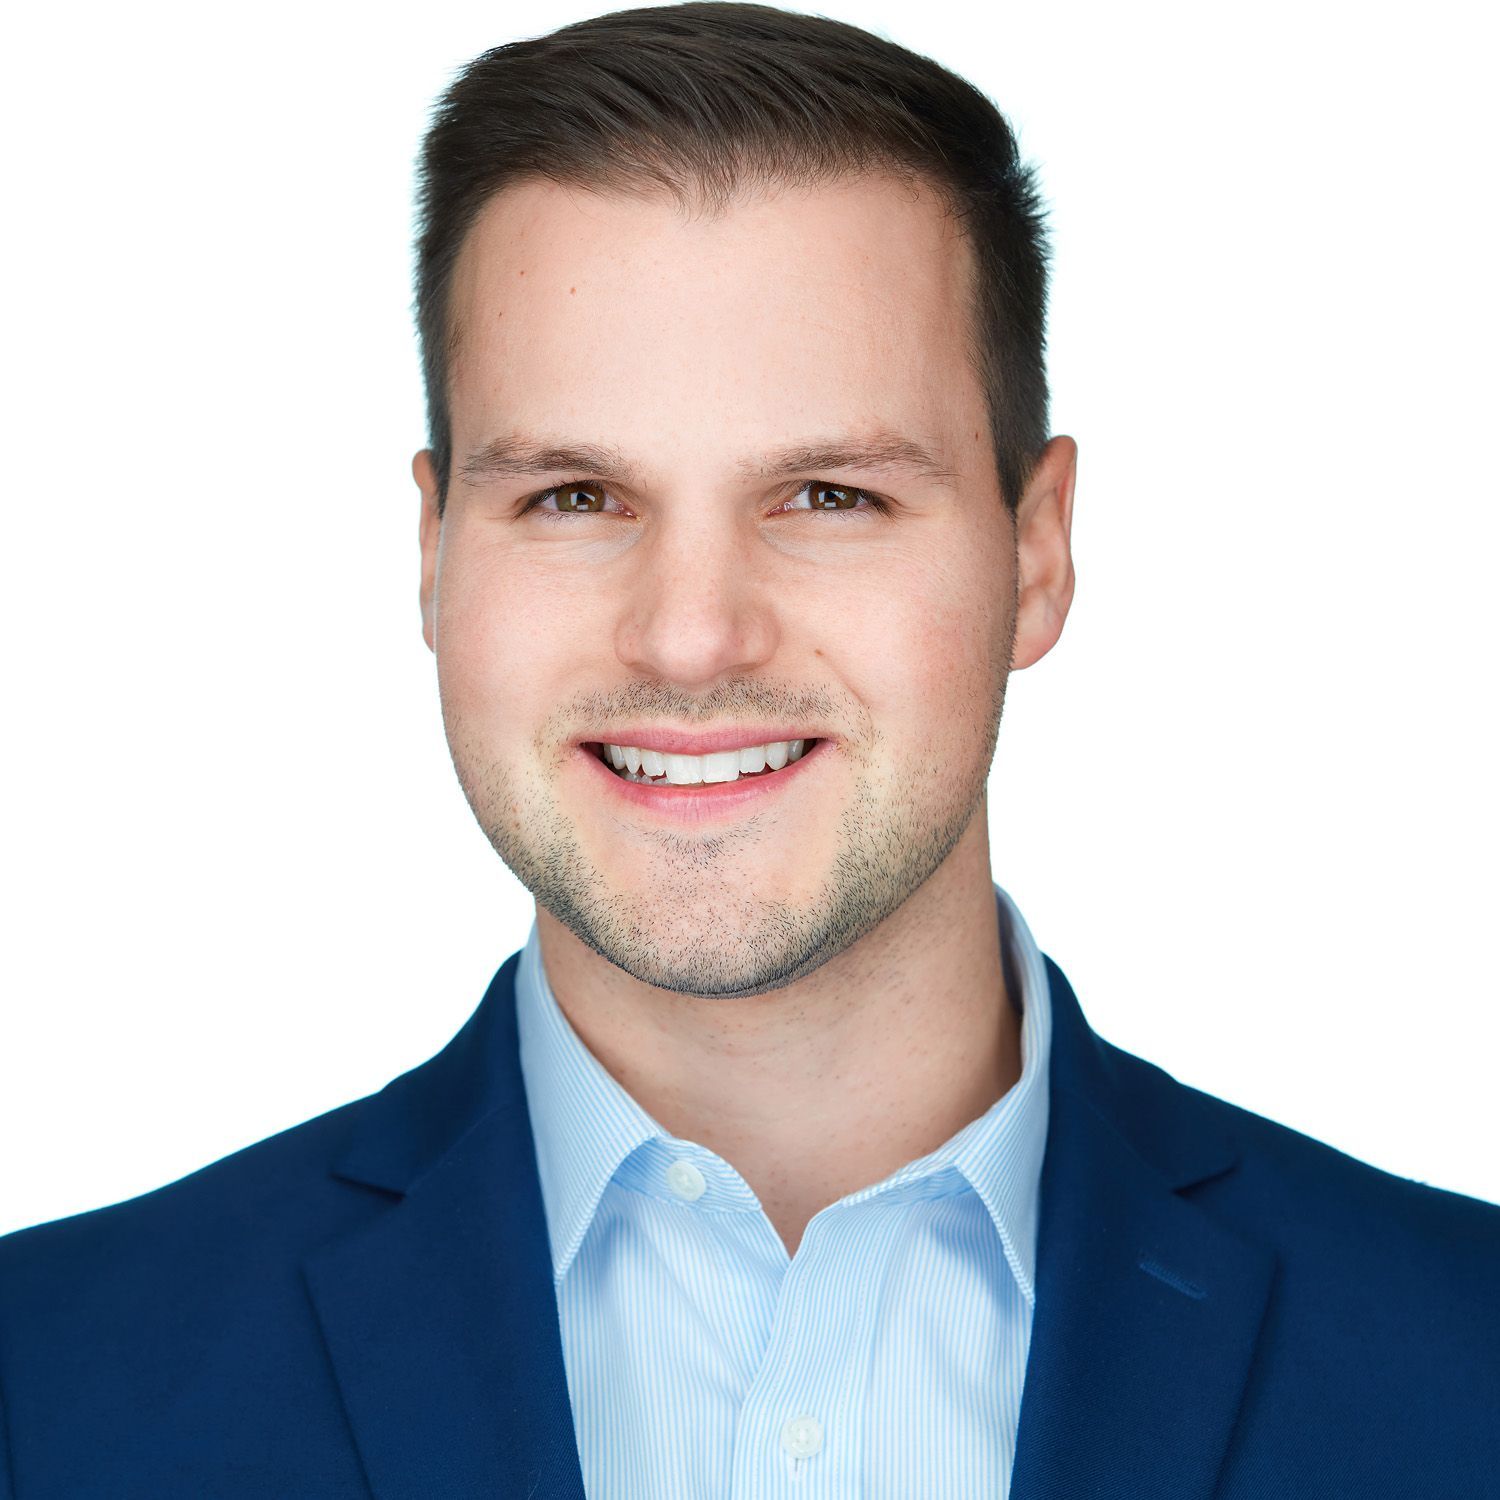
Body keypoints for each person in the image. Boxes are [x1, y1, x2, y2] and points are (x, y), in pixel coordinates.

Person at [1, 3, 1496, 1494]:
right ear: (434, 556)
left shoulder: (1464, 1359)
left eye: (829, 495)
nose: (690, 636)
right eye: (577, 496)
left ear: (1036, 553)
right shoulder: (47, 1382)